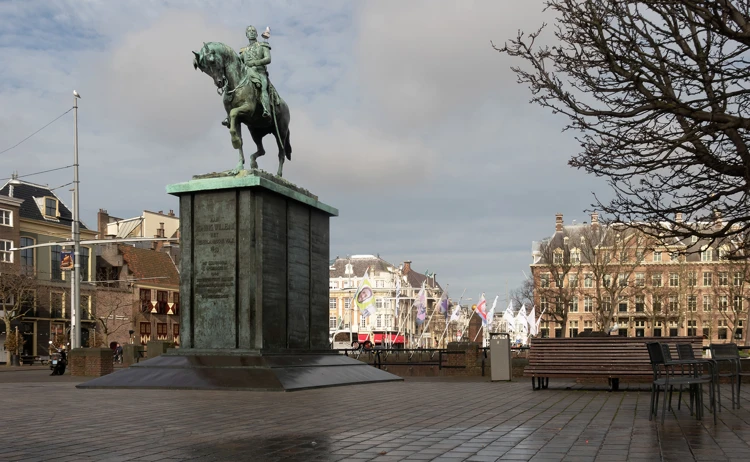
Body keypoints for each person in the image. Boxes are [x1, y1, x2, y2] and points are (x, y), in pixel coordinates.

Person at [239, 25, 272, 118]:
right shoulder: (243, 51)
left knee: (263, 89)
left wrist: (254, 63)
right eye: (249, 31)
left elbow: (268, 59)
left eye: (253, 31)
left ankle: (266, 109)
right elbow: (238, 62)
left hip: (260, 72)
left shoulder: (263, 45)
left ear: (257, 34)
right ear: (247, 35)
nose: (252, 32)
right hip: (247, 73)